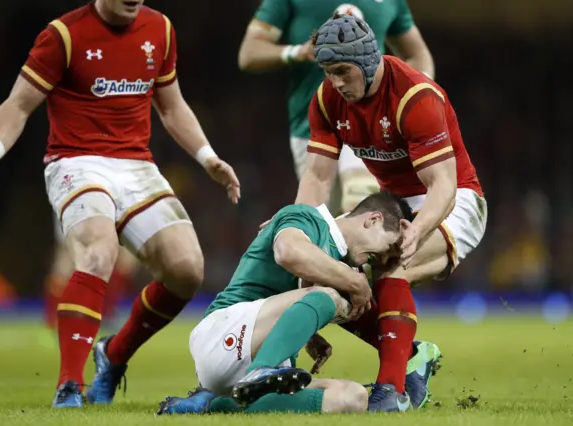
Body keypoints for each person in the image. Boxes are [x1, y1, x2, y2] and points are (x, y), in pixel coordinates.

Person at [0, 0, 240, 408]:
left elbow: (172, 106)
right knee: (99, 251)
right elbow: (18, 103)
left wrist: (208, 158)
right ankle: (69, 384)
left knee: (187, 271)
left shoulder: (160, 29)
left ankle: (113, 355)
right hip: (76, 162)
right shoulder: (63, 35)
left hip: (136, 165)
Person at [293, 13, 487, 411]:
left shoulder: (415, 97)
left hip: (455, 202)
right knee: (331, 277)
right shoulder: (328, 101)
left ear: (367, 60)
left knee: (391, 264)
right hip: (394, 204)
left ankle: (391, 392)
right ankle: (412, 357)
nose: (336, 83)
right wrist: (300, 245)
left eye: (343, 71)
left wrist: (417, 231)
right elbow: (315, 178)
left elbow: (443, 186)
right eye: (328, 72)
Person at [157, 193, 413, 415]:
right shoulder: (307, 217)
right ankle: (259, 372)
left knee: (352, 397)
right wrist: (353, 282)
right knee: (332, 297)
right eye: (388, 247)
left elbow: (296, 292)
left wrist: (307, 328)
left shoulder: (339, 259)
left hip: (253, 364)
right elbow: (288, 252)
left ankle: (211, 405)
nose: (381, 258)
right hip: (223, 337)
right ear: (373, 219)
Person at [238, 0, 434, 214]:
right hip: (312, 126)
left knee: (364, 208)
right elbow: (249, 52)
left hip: (370, 118)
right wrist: (297, 52)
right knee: (322, 222)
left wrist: (416, 101)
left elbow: (417, 54)